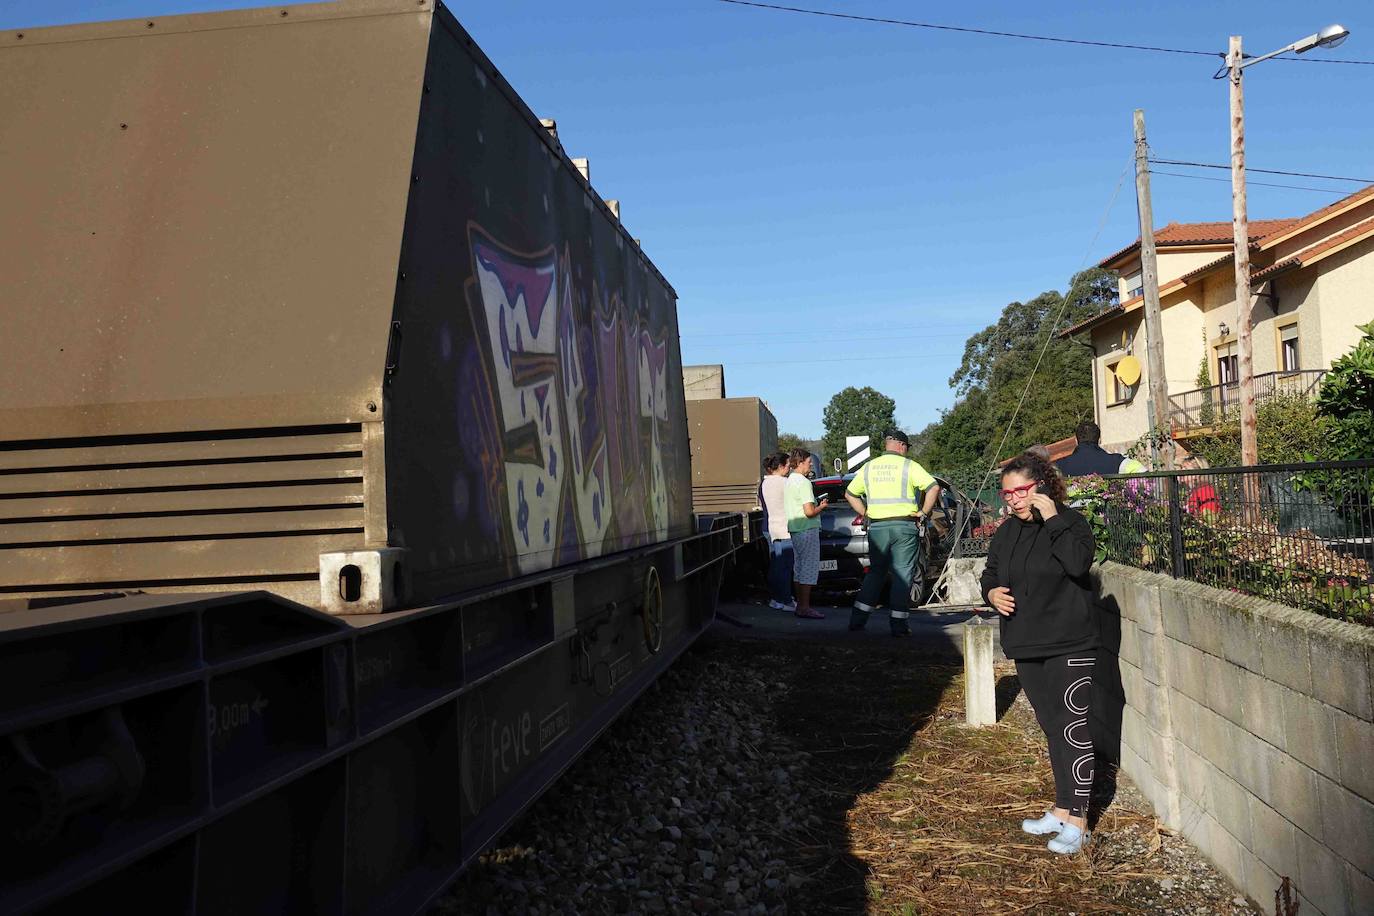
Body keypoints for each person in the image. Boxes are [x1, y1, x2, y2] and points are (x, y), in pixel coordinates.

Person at [980, 450, 1099, 855]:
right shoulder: (1006, 531)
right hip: (1026, 643)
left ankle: (1080, 820)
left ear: (1042, 487)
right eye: (1007, 493)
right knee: (1052, 727)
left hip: (1070, 643)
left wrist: (1052, 518)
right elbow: (991, 571)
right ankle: (1062, 808)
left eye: (1021, 491)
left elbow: (1079, 564)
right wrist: (991, 592)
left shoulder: (1069, 524)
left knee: (1073, 728)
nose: (1013, 500)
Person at [844, 430, 942, 637]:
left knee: (876, 573)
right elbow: (933, 488)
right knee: (902, 574)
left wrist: (866, 513)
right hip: (904, 526)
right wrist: (923, 513)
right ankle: (899, 625)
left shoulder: (868, 468)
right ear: (902, 446)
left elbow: (850, 494)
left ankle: (857, 620)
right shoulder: (909, 466)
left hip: (878, 527)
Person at [784, 448, 828, 619]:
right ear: (800, 462)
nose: (810, 466)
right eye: (809, 462)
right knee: (809, 569)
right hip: (807, 528)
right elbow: (809, 511)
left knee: (799, 568)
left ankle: (799, 605)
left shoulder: (789, 481)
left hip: (795, 529)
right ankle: (805, 607)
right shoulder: (803, 482)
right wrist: (822, 507)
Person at [758, 452, 796, 611]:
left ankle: (776, 598)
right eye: (788, 466)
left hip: (770, 527)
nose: (789, 469)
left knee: (775, 564)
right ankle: (786, 600)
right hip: (785, 528)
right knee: (786, 566)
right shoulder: (785, 483)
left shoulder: (763, 484)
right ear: (780, 467)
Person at [1056, 421, 1129, 477]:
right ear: (1099, 440)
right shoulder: (1118, 461)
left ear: (1076, 441)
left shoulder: (1059, 465)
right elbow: (1139, 471)